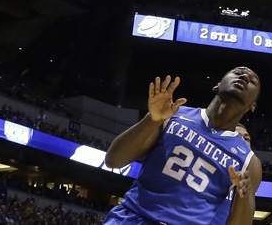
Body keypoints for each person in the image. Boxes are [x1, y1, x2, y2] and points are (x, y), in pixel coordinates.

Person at [102, 68, 263, 225]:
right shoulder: (172, 114)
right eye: (238, 73)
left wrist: (245, 193)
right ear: (217, 85)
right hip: (133, 217)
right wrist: (153, 119)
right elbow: (114, 160)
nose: (244, 77)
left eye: (252, 81)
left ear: (253, 106)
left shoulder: (249, 162)